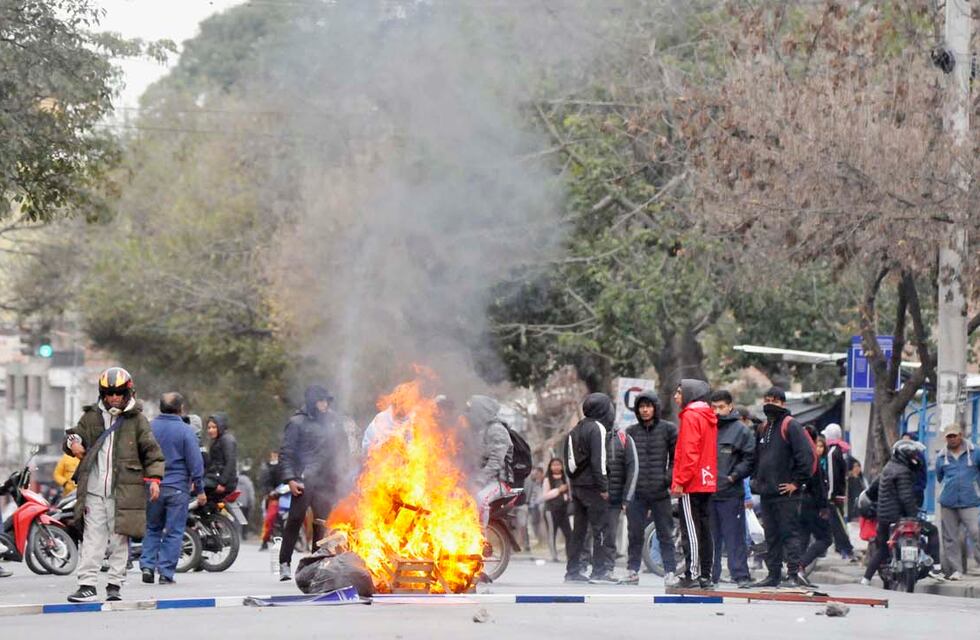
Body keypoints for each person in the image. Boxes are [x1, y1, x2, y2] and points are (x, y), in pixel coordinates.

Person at [63, 367, 165, 603]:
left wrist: (155, 480)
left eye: (118, 393)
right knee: (92, 537)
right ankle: (87, 584)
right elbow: (73, 436)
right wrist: (73, 442)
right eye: (109, 393)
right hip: (94, 491)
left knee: (121, 538)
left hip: (126, 491)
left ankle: (114, 585)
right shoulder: (91, 417)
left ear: (128, 392)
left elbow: (152, 453)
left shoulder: (138, 420)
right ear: (102, 394)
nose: (114, 398)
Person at [278, 385, 350, 581]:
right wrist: (290, 479)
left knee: (322, 523)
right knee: (295, 519)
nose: (324, 405)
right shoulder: (297, 422)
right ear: (312, 402)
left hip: (327, 481)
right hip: (304, 479)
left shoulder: (334, 421)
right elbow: (286, 453)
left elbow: (342, 447)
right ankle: (284, 563)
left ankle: (315, 565)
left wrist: (342, 473)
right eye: (321, 401)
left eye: (327, 401)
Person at [748, 386, 815, 588]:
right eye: (767, 399)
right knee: (772, 536)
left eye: (775, 400)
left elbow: (807, 457)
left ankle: (793, 574)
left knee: (789, 534)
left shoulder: (791, 425)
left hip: (787, 494)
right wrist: (755, 480)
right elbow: (757, 458)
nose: (770, 404)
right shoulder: (763, 428)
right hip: (767, 492)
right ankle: (773, 574)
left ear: (783, 404)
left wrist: (796, 483)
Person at [139, 392, 206, 585]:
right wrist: (200, 490)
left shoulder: (149, 428)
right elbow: (196, 464)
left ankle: (147, 566)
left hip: (153, 486)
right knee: (174, 531)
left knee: (152, 527)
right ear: (180, 408)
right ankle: (166, 573)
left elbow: (141, 456)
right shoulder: (186, 431)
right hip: (177, 489)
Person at [862, 439, 943, 585]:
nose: (915, 459)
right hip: (900, 517)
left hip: (884, 518)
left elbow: (872, 491)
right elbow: (906, 497)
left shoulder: (887, 469)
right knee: (932, 531)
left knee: (882, 549)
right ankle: (936, 567)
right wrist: (914, 517)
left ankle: (866, 579)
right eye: (912, 456)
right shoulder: (903, 471)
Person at [625, 390, 678, 586]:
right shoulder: (630, 432)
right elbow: (624, 463)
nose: (645, 410)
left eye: (648, 406)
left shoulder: (669, 429)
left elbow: (676, 459)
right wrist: (624, 492)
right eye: (641, 407)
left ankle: (670, 571)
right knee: (634, 532)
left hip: (660, 491)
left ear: (655, 408)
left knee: (665, 533)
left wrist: (667, 478)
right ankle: (632, 570)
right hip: (636, 492)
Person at [670, 379, 718, 590]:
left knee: (690, 529)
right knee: (705, 529)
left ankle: (692, 574)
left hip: (692, 482)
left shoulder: (691, 416)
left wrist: (680, 481)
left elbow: (689, 452)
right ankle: (706, 575)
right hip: (707, 479)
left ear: (689, 394)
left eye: (679, 392)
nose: (675, 396)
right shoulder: (709, 416)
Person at [563, 393, 615, 584]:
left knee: (579, 531)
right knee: (600, 529)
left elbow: (569, 462)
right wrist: (604, 486)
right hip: (594, 487)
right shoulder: (598, 428)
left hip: (577, 487)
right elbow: (598, 461)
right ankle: (599, 571)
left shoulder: (575, 429)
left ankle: (572, 571)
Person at [708, 390, 755, 587]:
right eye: (714, 407)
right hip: (708, 493)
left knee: (734, 538)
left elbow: (750, 458)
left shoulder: (741, 431)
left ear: (730, 406)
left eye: (721, 407)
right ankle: (710, 574)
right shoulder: (706, 428)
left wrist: (734, 476)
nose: (717, 411)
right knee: (710, 539)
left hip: (731, 493)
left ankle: (741, 576)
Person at [935, 422, 980, 580]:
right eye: (949, 436)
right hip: (948, 502)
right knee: (950, 537)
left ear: (960, 435)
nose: (952, 439)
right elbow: (940, 477)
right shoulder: (941, 456)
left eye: (954, 435)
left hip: (971, 501)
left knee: (976, 532)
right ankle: (956, 570)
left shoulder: (975, 452)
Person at [465, 396, 514, 528]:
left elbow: (496, 462)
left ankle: (481, 542)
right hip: (485, 480)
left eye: (473, 410)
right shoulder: (481, 431)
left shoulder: (496, 430)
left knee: (481, 499)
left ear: (482, 411)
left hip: (500, 482)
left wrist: (479, 481)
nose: (470, 414)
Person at [600, 416, 638, 583]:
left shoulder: (623, 438)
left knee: (610, 534)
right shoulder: (593, 435)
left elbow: (632, 468)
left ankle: (607, 569)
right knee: (591, 534)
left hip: (614, 498)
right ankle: (592, 568)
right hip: (593, 497)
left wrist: (626, 498)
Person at [798, 434, 832, 577]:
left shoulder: (799, 456)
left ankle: (795, 570)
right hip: (813, 504)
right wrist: (823, 506)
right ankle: (801, 565)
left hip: (800, 502)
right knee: (825, 538)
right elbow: (819, 486)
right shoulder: (813, 460)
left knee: (803, 538)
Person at [821, 424, 856, 560]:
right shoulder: (839, 451)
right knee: (836, 522)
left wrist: (830, 495)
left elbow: (832, 476)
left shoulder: (832, 453)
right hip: (839, 493)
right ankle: (842, 548)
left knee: (838, 523)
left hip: (834, 495)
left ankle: (847, 549)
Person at [542, 457, 572, 563]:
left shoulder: (566, 479)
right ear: (550, 467)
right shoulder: (547, 479)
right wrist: (559, 490)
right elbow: (545, 496)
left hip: (564, 510)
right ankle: (553, 556)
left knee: (569, 534)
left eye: (558, 465)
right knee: (552, 533)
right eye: (554, 465)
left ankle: (570, 555)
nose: (556, 467)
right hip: (551, 510)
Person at [205, 413, 238, 499]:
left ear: (220, 427)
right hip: (215, 478)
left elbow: (230, 462)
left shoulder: (227, 440)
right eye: (209, 428)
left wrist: (222, 483)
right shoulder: (216, 441)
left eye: (214, 427)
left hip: (221, 481)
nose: (210, 430)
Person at [258, 450, 282, 551]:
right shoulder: (267, 467)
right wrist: (270, 492)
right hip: (273, 497)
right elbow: (265, 482)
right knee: (270, 518)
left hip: (286, 496)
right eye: (273, 454)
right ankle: (265, 540)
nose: (274, 456)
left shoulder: (284, 467)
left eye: (276, 454)